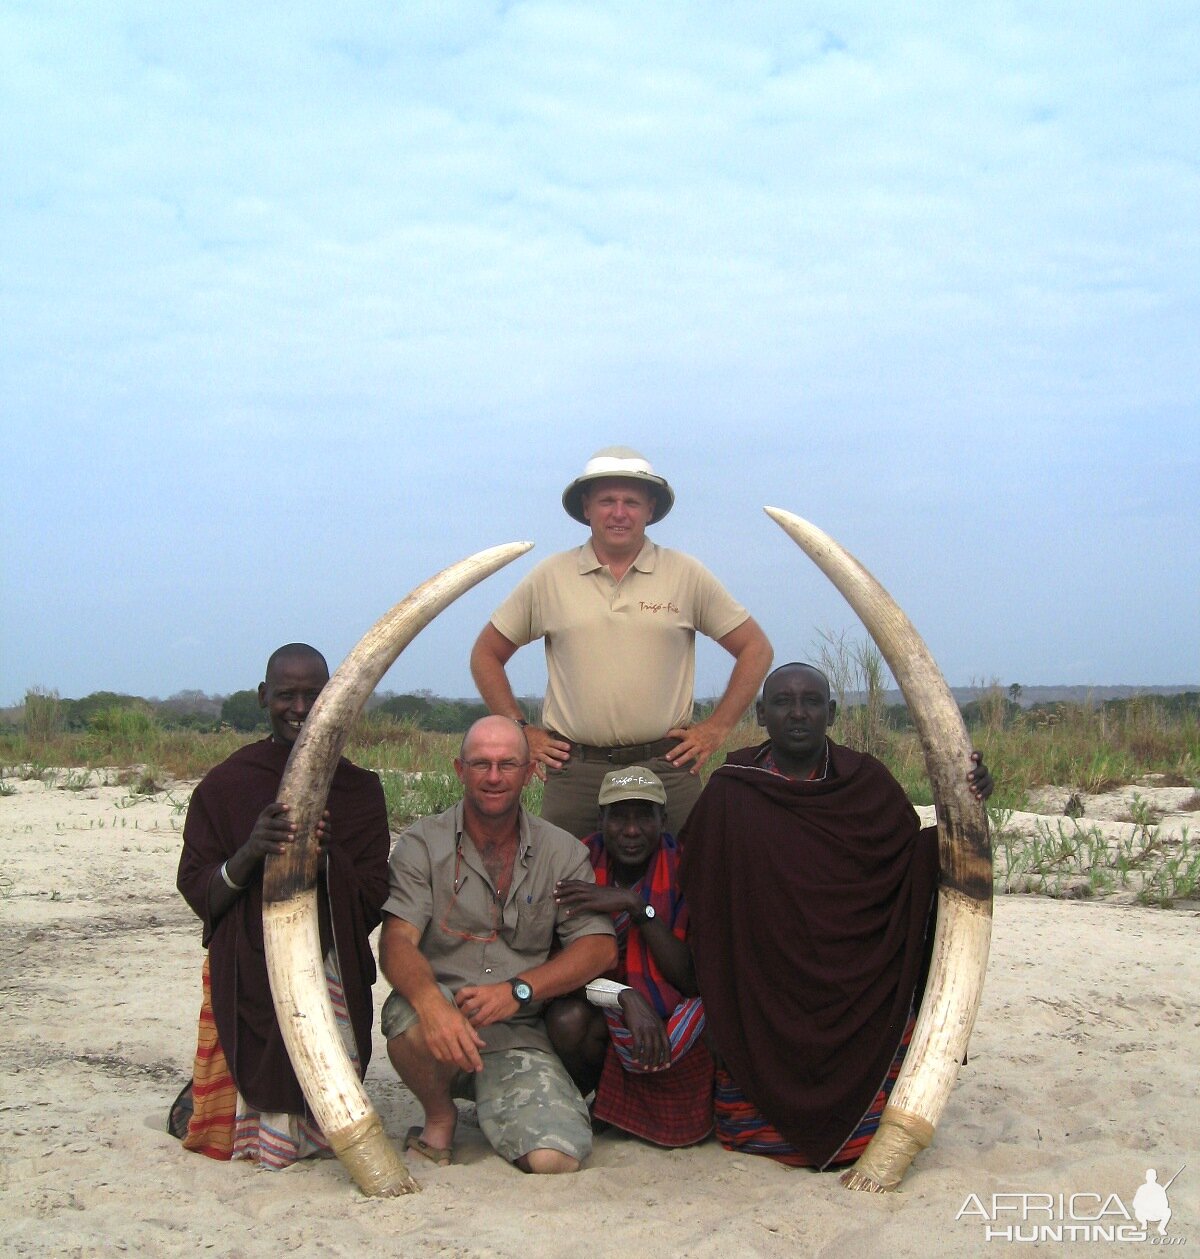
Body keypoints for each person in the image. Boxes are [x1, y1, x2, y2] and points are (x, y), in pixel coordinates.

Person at [678, 662, 993, 1170]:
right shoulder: (732, 791)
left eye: (811, 701)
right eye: (783, 701)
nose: (797, 712)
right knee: (744, 1121)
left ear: (833, 712)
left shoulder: (865, 783)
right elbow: (703, 895)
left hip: (853, 982)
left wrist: (969, 795)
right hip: (764, 984)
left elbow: (910, 861)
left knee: (873, 1095)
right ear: (761, 714)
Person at [470, 446, 773, 839]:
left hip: (666, 766)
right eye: (606, 501)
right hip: (574, 770)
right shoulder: (550, 577)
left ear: (649, 509)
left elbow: (756, 647)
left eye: (631, 501)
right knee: (561, 883)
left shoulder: (685, 574)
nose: (619, 513)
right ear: (586, 508)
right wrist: (520, 729)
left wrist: (716, 728)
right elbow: (486, 654)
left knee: (688, 876)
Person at [174, 643, 391, 1168]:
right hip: (245, 964)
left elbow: (372, 897)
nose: (298, 708)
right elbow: (202, 890)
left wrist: (323, 861)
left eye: (313, 695)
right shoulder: (226, 783)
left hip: (326, 965)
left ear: (334, 701)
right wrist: (253, 851)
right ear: (262, 697)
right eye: (285, 695)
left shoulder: (359, 789)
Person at [378, 715, 617, 1173]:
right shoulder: (420, 845)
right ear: (458, 769)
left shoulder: (562, 851)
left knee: (555, 1161)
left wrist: (519, 990)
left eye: (508, 764)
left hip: (519, 1032)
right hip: (440, 1022)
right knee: (406, 1016)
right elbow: (396, 942)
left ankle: (504, 1102)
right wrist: (432, 1002)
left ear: (530, 773)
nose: (493, 777)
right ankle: (440, 1115)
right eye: (480, 764)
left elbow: (598, 947)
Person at [551, 765, 714, 1148]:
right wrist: (624, 996)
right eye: (619, 817)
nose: (630, 830)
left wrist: (636, 906)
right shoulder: (575, 866)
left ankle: (631, 1109)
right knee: (566, 1020)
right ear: (600, 819)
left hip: (673, 1006)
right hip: (602, 1004)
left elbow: (690, 979)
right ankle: (593, 1098)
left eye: (644, 816)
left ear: (664, 820)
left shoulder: (686, 869)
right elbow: (557, 967)